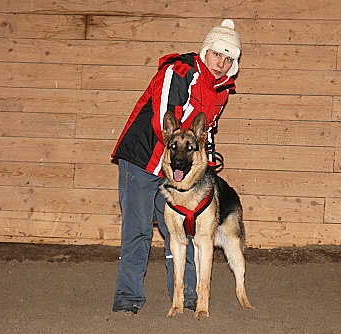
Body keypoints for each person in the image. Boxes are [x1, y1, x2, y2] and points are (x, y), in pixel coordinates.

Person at [111, 19, 242, 314]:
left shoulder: (220, 90)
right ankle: (128, 297)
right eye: (217, 55)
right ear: (206, 51)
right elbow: (164, 120)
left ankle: (187, 297)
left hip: (178, 170)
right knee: (139, 229)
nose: (221, 63)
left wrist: (197, 166)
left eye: (228, 58)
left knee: (183, 232)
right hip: (145, 158)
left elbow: (203, 134)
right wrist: (180, 163)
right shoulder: (179, 71)